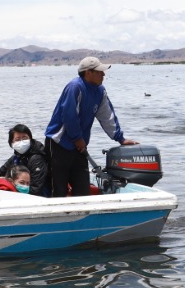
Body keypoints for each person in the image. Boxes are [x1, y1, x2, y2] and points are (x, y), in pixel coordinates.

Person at [45, 56, 137, 197]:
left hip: (79, 145)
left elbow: (107, 115)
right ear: (88, 72)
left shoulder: (100, 91)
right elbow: (69, 115)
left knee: (82, 188)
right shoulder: (75, 87)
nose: (103, 74)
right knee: (58, 188)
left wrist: (120, 138)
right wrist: (77, 138)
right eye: (100, 72)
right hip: (59, 143)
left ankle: (81, 216)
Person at [0, 123, 50, 197]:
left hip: (39, 196)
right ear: (11, 143)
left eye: (24, 138)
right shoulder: (17, 157)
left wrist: (13, 191)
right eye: (17, 139)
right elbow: (0, 172)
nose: (21, 142)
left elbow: (36, 188)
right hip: (22, 192)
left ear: (30, 139)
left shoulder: (37, 159)